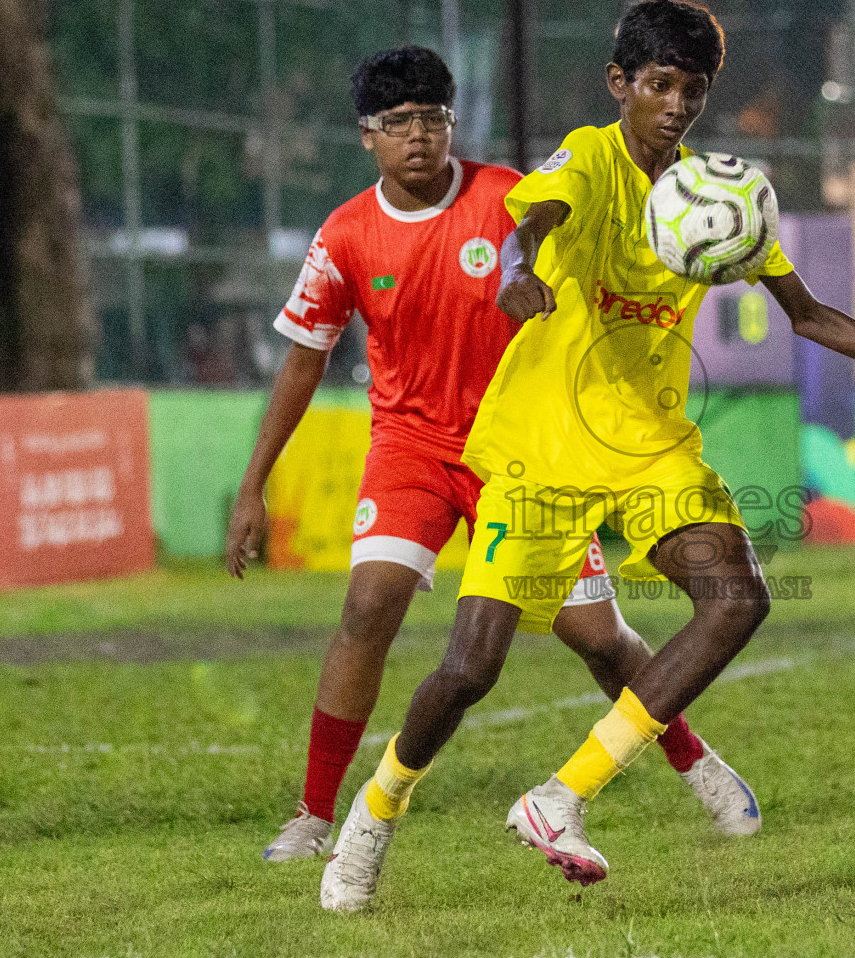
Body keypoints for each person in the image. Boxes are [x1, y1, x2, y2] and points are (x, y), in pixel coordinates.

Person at [320, 0, 855, 911]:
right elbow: (537, 219)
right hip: (541, 450)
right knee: (469, 671)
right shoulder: (588, 159)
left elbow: (805, 314)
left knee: (737, 598)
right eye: (659, 84)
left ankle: (560, 797)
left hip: (648, 446)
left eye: (694, 89)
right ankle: (374, 809)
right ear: (620, 85)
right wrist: (518, 271)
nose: (677, 104)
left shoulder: (716, 196)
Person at [225, 45, 759, 866]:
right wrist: (252, 486)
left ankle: (697, 765)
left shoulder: (510, 196)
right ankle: (312, 815)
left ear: (451, 123)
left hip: (523, 451)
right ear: (366, 136)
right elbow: (304, 358)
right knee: (368, 607)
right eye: (397, 123)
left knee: (601, 638)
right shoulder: (343, 236)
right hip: (412, 447)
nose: (418, 137)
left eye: (432, 119)